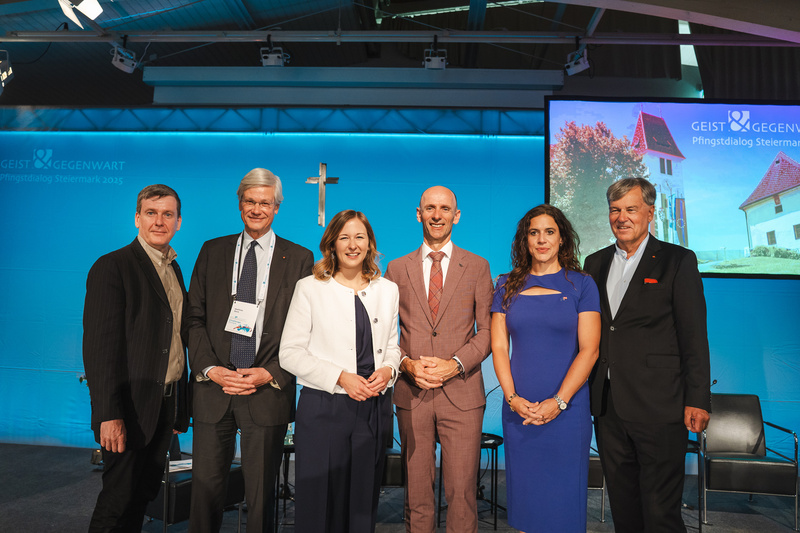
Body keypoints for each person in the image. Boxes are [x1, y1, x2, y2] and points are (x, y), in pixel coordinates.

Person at [186, 168, 314, 533]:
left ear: (277, 208)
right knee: (205, 491)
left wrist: (272, 372)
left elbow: (307, 330)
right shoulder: (212, 251)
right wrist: (211, 368)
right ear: (239, 204)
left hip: (266, 389)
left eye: (265, 203)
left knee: (261, 497)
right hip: (215, 388)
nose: (257, 209)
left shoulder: (300, 258)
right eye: (250, 201)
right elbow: (193, 318)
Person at [583, 177, 711, 533]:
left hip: (660, 405)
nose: (622, 217)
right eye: (615, 210)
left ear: (650, 213)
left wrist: (698, 398)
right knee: (624, 510)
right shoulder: (593, 263)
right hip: (607, 406)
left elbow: (694, 336)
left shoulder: (677, 261)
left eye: (631, 209)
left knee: (659, 512)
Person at [280, 209, 401, 533]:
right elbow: (289, 353)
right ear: (331, 243)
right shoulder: (310, 288)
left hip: (372, 408)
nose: (352, 244)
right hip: (324, 407)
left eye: (359, 236)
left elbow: (392, 345)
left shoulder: (387, 290)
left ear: (370, 244)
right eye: (344, 237)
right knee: (319, 503)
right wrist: (340, 377)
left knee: (362, 504)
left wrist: (389, 368)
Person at [384, 186, 493, 533]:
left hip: (461, 393)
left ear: (456, 216)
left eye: (444, 209)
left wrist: (455, 364)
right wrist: (407, 365)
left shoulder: (477, 266)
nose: (436, 215)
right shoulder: (396, 268)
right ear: (418, 214)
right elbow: (384, 334)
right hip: (412, 393)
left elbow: (488, 332)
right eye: (429, 208)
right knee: (416, 494)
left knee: (461, 493)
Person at [83, 184, 190, 532]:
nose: (159, 221)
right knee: (117, 501)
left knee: (142, 497)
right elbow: (100, 349)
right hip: (128, 410)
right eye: (151, 213)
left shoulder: (174, 269)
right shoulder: (113, 266)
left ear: (178, 222)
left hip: (164, 407)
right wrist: (108, 414)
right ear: (137, 219)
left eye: (167, 214)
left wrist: (180, 408)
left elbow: (175, 343)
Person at [490, 204, 601, 533]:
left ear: (562, 238)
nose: (541, 239)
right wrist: (512, 398)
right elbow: (498, 347)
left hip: (568, 412)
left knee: (564, 506)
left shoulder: (582, 284)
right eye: (533, 232)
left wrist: (559, 401)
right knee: (527, 506)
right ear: (524, 240)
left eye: (549, 232)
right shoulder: (505, 284)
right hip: (519, 411)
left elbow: (590, 349)